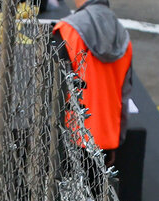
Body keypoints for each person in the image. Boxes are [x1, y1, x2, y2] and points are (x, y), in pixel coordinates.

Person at [53, 0, 134, 152]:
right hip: (108, 140)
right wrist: (117, 141)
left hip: (71, 137)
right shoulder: (123, 38)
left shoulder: (67, 30)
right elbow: (125, 94)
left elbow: (54, 89)